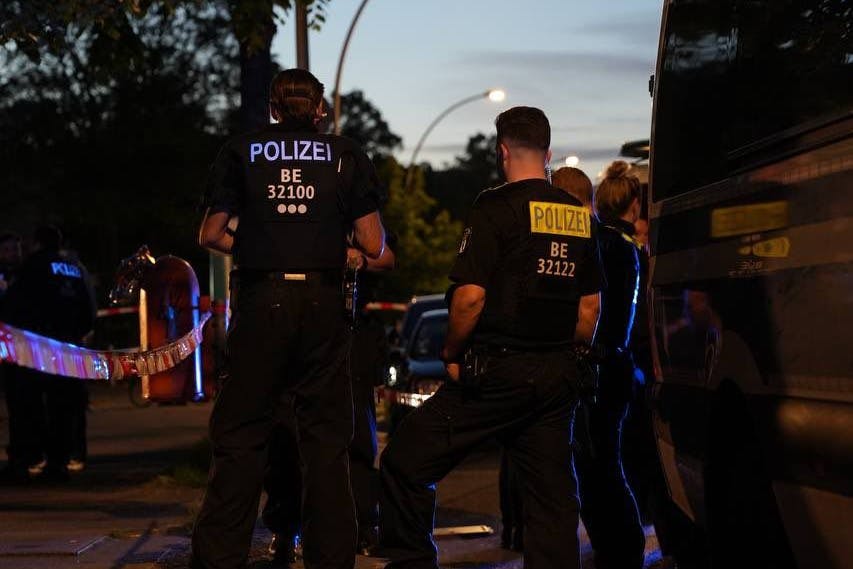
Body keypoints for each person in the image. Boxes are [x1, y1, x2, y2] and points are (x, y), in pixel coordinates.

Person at [378, 106, 604, 569]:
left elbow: (469, 300)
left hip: (495, 373)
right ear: (548, 151)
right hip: (557, 377)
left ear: (502, 151)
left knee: (405, 462)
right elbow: (589, 309)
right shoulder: (578, 216)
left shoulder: (494, 207)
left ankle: (413, 562)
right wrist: (566, 350)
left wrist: (452, 351)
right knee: (552, 500)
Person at [191, 68, 386, 569]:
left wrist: (257, 245)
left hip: (262, 302)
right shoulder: (346, 155)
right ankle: (331, 558)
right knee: (326, 443)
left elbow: (210, 234)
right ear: (319, 110)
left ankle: (218, 559)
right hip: (323, 306)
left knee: (241, 437)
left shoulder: (242, 151)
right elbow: (372, 244)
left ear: (274, 108)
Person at [262, 240, 397, 564]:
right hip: (293, 327)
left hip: (349, 331)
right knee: (287, 433)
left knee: (357, 434)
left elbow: (387, 257)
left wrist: (359, 260)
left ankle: (363, 524)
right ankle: (286, 527)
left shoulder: (356, 204)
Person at [571, 160, 646, 569]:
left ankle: (615, 545)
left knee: (596, 465)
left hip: (598, 366)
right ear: (632, 205)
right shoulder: (627, 249)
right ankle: (624, 547)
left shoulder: (599, 244)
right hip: (616, 365)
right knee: (608, 463)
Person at [1, 225, 96, 481]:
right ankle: (60, 461)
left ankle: (29, 459)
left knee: (29, 407)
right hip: (68, 346)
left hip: (36, 349)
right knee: (63, 407)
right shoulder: (74, 268)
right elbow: (89, 308)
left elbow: (13, 306)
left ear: (37, 244)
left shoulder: (32, 267)